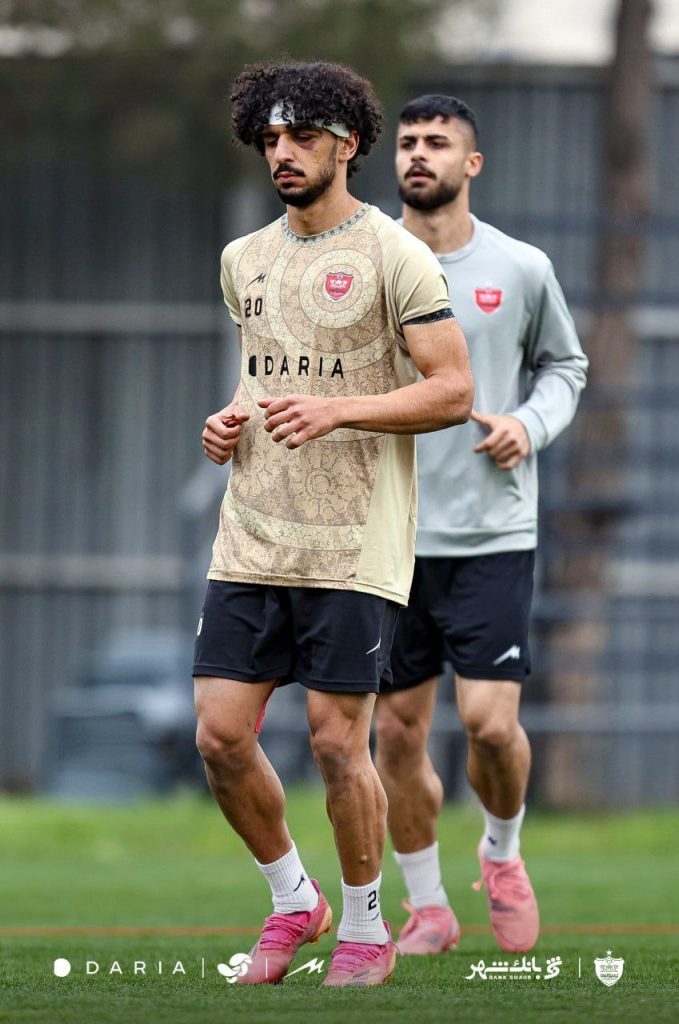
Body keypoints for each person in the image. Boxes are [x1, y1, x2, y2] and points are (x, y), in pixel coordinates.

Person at [194, 65, 474, 987]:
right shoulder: (242, 258)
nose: (283, 153)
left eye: (303, 136)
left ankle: (364, 926)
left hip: (354, 545)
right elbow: (262, 376)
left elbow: (452, 390)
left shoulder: (397, 255)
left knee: (333, 743)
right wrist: (227, 422)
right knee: (219, 737)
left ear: (346, 144)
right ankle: (293, 902)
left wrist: (339, 411)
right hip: (251, 535)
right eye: (271, 138)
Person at [374, 94, 588, 956]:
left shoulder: (521, 267)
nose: (417, 154)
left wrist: (526, 426)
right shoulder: (366, 260)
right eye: (407, 142)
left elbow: (564, 366)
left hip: (491, 535)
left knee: (492, 726)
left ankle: (500, 854)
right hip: (387, 537)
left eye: (437, 142)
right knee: (394, 733)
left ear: (471, 165)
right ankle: (428, 906)